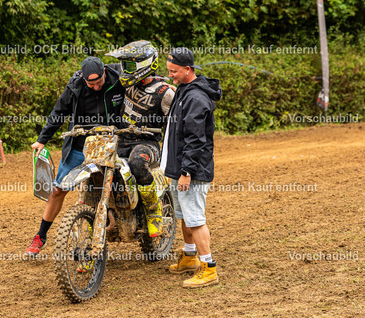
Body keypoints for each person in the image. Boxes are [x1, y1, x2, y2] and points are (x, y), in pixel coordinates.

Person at [25, 56, 125, 256]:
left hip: (112, 145)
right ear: (84, 79)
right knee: (58, 190)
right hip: (80, 146)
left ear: (104, 72)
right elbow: (58, 113)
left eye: (99, 82)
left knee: (123, 186)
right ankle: (40, 236)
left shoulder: (119, 79)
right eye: (91, 84)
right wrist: (42, 139)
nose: (96, 87)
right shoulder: (75, 87)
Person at [161, 47, 222, 288]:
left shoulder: (196, 98)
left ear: (188, 69)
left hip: (192, 171)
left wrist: (186, 172)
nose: (170, 76)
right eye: (168, 70)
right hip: (180, 168)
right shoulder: (184, 90)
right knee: (185, 216)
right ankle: (189, 257)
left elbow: (196, 140)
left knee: (195, 219)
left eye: (174, 71)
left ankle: (208, 268)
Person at [105, 40, 175, 237]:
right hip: (121, 138)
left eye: (128, 65)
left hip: (147, 143)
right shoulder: (125, 81)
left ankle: (153, 211)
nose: (124, 69)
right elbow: (101, 70)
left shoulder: (165, 93)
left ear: (143, 65)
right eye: (123, 64)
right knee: (98, 161)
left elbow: (175, 126)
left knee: (137, 162)